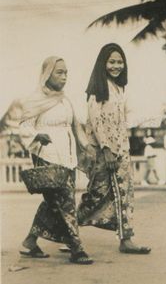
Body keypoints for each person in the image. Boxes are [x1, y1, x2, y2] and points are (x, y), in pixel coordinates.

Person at [74, 43, 150, 254]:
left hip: (121, 151)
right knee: (96, 196)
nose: (116, 65)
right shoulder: (98, 89)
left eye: (119, 61)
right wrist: (106, 148)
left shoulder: (119, 88)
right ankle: (68, 232)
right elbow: (95, 120)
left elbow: (122, 120)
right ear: (103, 63)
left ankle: (126, 240)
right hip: (104, 153)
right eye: (112, 61)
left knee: (125, 194)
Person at [19, 56, 95, 264]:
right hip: (47, 155)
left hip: (68, 157)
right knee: (65, 201)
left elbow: (75, 127)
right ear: (47, 74)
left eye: (66, 73)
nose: (64, 77)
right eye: (59, 72)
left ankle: (30, 242)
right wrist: (37, 135)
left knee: (52, 203)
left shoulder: (65, 100)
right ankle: (76, 248)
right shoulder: (35, 99)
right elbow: (24, 126)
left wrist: (87, 146)